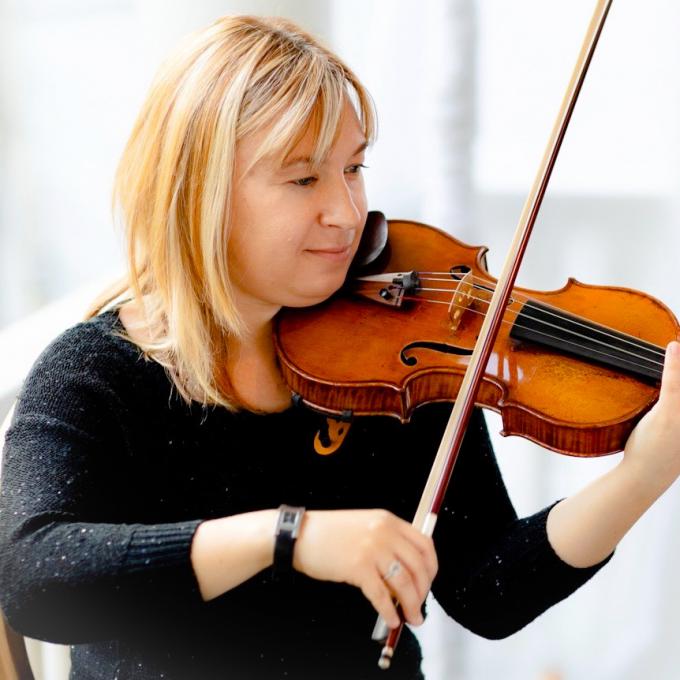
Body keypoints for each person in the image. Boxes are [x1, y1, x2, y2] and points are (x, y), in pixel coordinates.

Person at [1, 14, 679, 680]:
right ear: (198, 191)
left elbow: (488, 590)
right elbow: (34, 579)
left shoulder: (395, 350)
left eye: (353, 168)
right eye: (303, 179)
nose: (348, 212)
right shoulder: (98, 372)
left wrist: (642, 475)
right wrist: (288, 538)